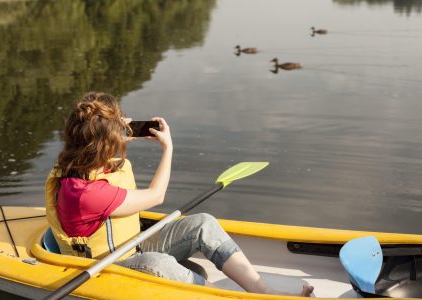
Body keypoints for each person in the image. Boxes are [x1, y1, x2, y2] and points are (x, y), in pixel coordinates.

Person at [45, 92, 314, 297]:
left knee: (203, 224)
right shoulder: (85, 193)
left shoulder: (80, 162)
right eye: (117, 129)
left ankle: (261, 292)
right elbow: (156, 195)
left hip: (129, 245)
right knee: (159, 263)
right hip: (109, 265)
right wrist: (168, 148)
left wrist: (121, 130)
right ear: (105, 143)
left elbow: (97, 141)